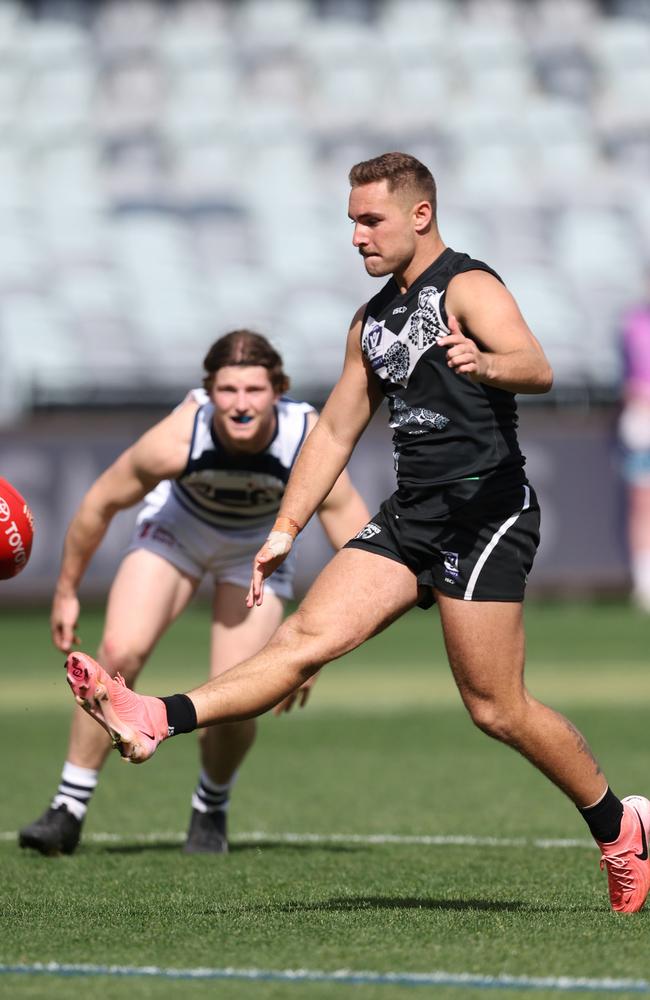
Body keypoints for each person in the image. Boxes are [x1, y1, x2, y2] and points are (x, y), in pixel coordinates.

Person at [67, 153, 650, 913]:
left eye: (370, 219)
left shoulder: (470, 286)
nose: (356, 236)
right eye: (351, 221)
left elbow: (536, 366)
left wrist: (488, 360)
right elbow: (337, 429)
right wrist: (285, 527)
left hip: (485, 514)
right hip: (413, 514)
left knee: (496, 708)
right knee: (301, 639)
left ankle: (620, 827)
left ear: (419, 215)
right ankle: (155, 716)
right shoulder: (371, 322)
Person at [20, 329, 369, 856]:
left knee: (236, 693)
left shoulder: (306, 435)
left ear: (279, 390)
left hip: (254, 550)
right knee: (119, 651)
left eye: (254, 390)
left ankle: (211, 805)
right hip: (176, 533)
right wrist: (67, 590)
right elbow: (98, 503)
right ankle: (68, 806)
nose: (241, 404)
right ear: (209, 392)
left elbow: (357, 542)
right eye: (227, 390)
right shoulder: (182, 434)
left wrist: (317, 642)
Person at [619, 280, 650, 612]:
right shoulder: (633, 323)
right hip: (643, 418)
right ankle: (645, 584)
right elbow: (628, 377)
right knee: (643, 502)